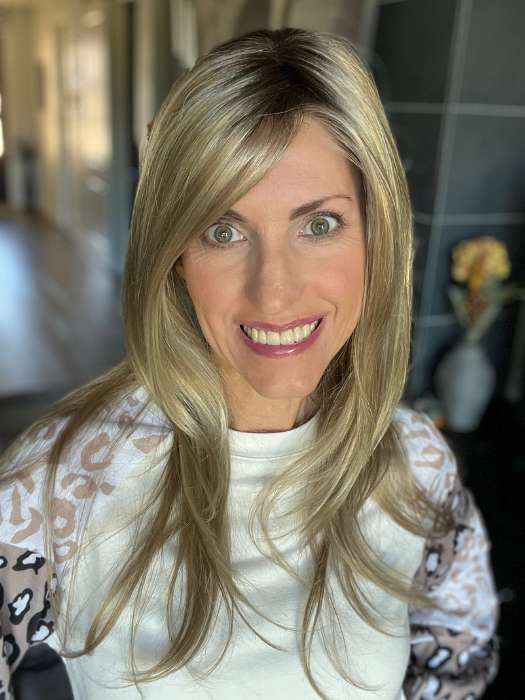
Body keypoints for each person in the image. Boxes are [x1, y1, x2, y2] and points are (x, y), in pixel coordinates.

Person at [0, 28, 500, 700]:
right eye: (223, 231)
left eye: (318, 224)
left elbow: (459, 663)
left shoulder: (415, 467)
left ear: (375, 235)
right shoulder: (56, 483)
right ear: (175, 256)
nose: (275, 293)